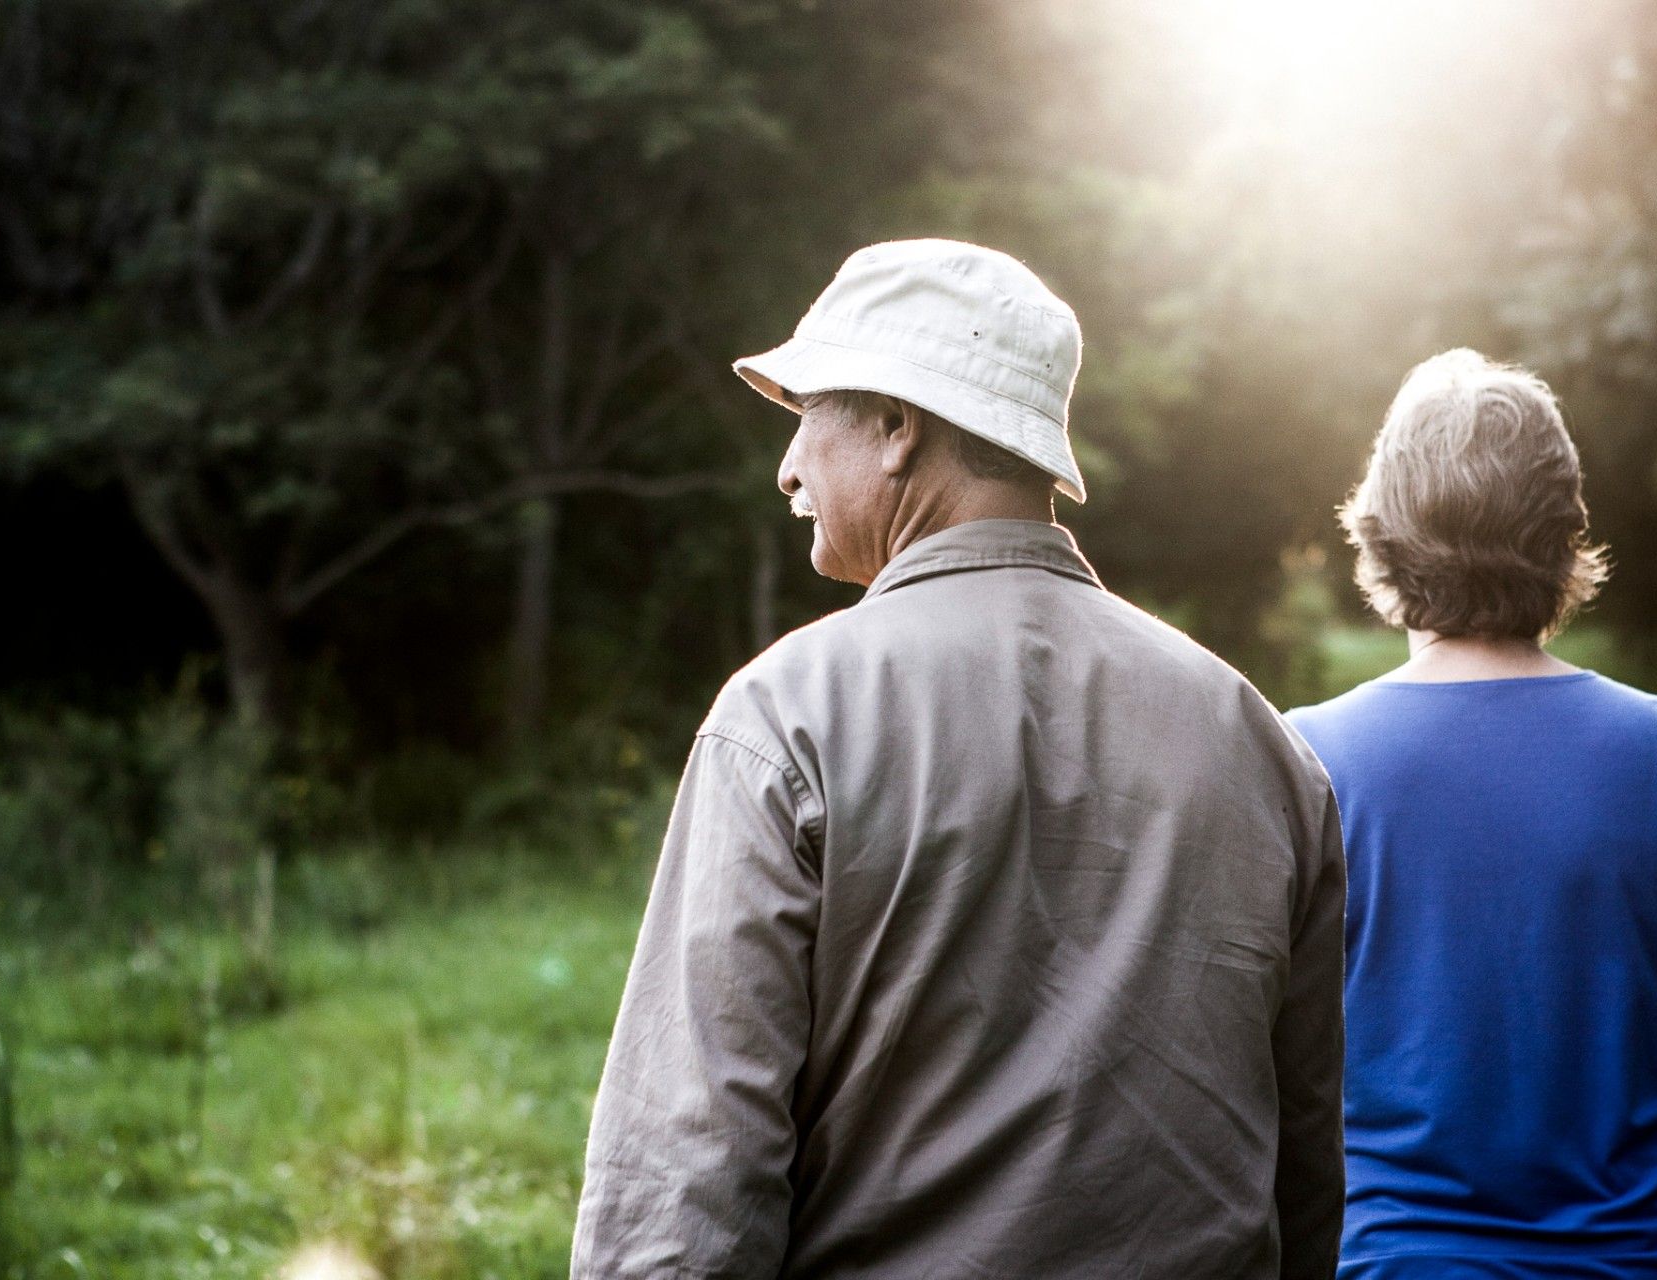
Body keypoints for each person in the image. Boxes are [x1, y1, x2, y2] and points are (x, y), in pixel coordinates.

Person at [570, 239, 1346, 1278]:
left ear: (897, 427)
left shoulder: (788, 717)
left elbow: (684, 1189)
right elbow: (1302, 1174)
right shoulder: (1258, 739)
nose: (787, 467)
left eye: (807, 414)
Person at [1287, 349, 1657, 1280]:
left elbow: (1244, 1049)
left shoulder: (1304, 758)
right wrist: (1609, 1049)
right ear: (1564, 532)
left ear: (1383, 528)